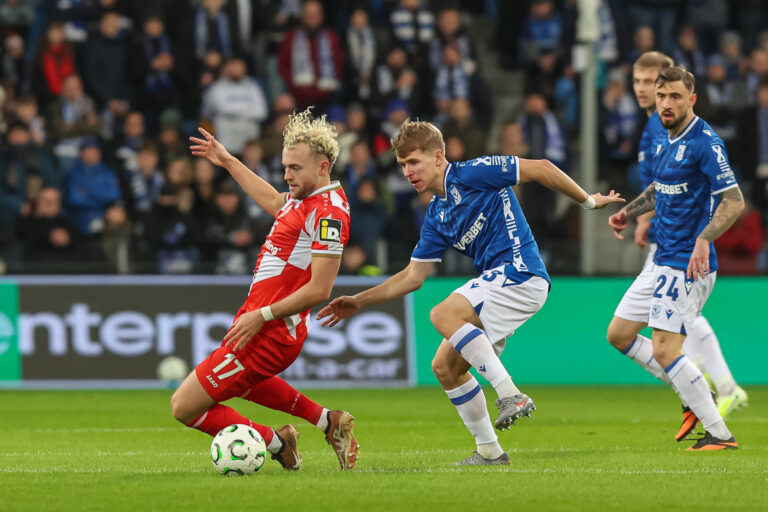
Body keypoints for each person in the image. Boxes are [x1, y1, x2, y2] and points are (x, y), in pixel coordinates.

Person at [318, 119, 623, 466]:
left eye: (413, 162)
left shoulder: (472, 172)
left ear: (437, 157)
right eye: (402, 165)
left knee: (442, 313)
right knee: (445, 366)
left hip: (521, 272)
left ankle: (511, 394)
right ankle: (490, 453)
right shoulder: (436, 215)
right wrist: (359, 300)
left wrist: (587, 202)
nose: (407, 172)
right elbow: (412, 277)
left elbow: (541, 167)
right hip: (501, 283)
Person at [172, 108, 359, 471]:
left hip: (271, 330)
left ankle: (275, 442)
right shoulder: (304, 199)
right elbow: (276, 203)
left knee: (185, 406)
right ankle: (327, 421)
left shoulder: (328, 214)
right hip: (260, 321)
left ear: (322, 167)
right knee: (242, 384)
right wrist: (228, 161)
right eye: (285, 166)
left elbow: (320, 287)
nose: (287, 175)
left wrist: (263, 314)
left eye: (295, 169)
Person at [607, 53, 748, 444]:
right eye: (662, 95)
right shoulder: (664, 138)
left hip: (688, 263)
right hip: (661, 259)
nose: (666, 103)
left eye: (675, 96)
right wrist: (629, 213)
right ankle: (691, 388)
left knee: (666, 349)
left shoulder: (705, 142)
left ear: (692, 100)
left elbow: (734, 200)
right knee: (619, 334)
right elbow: (660, 188)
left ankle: (719, 433)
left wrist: (704, 238)